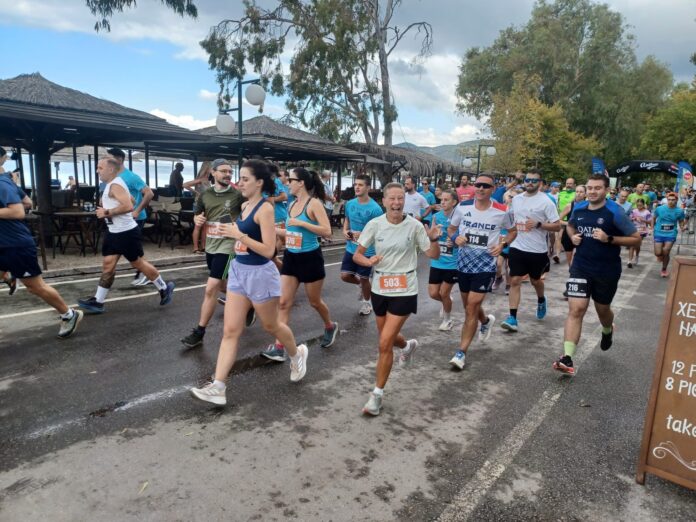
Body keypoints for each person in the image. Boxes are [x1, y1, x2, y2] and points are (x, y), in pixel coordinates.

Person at [190, 160, 309, 406]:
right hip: (238, 270)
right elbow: (239, 231)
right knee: (230, 331)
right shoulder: (244, 205)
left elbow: (268, 251)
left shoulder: (265, 209)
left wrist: (239, 235)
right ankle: (218, 387)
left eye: (245, 179)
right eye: (240, 178)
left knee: (271, 325)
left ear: (259, 183)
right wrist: (218, 228)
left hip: (260, 274)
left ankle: (297, 354)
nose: (239, 183)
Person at [354, 182, 442, 415]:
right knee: (388, 337)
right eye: (392, 198)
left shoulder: (414, 226)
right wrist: (368, 261)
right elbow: (357, 255)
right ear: (384, 201)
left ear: (405, 201)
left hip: (405, 288)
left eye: (400, 198)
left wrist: (434, 239)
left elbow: (433, 255)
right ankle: (407, 345)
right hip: (380, 287)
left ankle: (376, 396)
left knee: (384, 343)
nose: (396, 203)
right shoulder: (375, 224)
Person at [553, 174, 641, 376]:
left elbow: (636, 239)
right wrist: (573, 237)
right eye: (590, 188)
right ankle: (567, 358)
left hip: (606, 270)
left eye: (597, 188)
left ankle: (607, 329)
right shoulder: (579, 208)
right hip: (581, 267)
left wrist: (609, 238)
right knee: (576, 309)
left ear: (607, 190)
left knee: (603, 310)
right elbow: (571, 225)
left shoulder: (615, 212)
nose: (592, 192)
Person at [78, 158, 175, 313]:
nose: (97, 171)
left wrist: (106, 212)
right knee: (108, 265)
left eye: (100, 168)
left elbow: (129, 205)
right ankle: (98, 301)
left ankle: (164, 288)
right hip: (114, 232)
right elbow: (131, 199)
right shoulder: (114, 184)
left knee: (138, 264)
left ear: (110, 169)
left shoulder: (115, 185)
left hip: (126, 233)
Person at [260, 167, 337, 362]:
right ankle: (279, 348)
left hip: (310, 258)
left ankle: (330, 326)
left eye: (291, 180)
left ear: (301, 183)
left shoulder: (314, 204)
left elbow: (327, 231)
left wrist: (302, 223)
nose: (287, 183)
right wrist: (269, 229)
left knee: (315, 302)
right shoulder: (291, 204)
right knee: (284, 303)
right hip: (291, 257)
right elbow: (291, 232)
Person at [0, 166, 84, 337]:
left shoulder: (2, 183)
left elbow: (17, 211)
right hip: (4, 244)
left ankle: (69, 314)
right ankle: (9, 275)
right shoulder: (8, 182)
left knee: (35, 287)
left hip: (16, 246)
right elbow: (27, 202)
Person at [179, 159, 245, 348]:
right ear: (213, 173)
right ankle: (247, 303)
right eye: (223, 171)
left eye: (230, 171)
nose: (228, 174)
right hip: (211, 245)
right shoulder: (205, 194)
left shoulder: (237, 195)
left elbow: (250, 212)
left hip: (228, 246)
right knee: (223, 285)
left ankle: (199, 332)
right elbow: (198, 213)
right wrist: (197, 219)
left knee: (211, 288)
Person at [446, 173, 510, 370]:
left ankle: (461, 352)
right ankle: (485, 321)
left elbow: (513, 230)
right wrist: (456, 238)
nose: (481, 188)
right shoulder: (463, 207)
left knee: (471, 307)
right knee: (469, 306)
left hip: (486, 266)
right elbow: (451, 229)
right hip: (464, 264)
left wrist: (503, 245)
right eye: (478, 185)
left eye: (486, 186)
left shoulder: (502, 210)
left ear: (493, 189)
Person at [501, 170, 561, 332]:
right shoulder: (517, 199)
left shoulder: (546, 201)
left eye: (534, 181)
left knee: (535, 281)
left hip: (537, 250)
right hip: (517, 246)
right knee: (515, 280)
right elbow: (511, 219)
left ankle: (541, 299)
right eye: (527, 180)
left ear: (540, 183)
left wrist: (539, 224)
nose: (530, 183)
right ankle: (512, 318)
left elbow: (557, 226)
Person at [106, 148, 155, 286]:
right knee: (127, 251)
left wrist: (137, 211)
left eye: (109, 158)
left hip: (135, 218)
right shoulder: (112, 177)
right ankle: (148, 275)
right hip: (119, 219)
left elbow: (149, 193)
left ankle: (148, 275)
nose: (106, 161)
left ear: (119, 160)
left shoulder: (130, 176)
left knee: (133, 251)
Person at [341, 174, 384, 316]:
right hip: (351, 247)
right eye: (355, 184)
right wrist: (345, 230)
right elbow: (347, 219)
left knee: (365, 278)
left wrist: (364, 235)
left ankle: (366, 303)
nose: (357, 187)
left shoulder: (375, 209)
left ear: (368, 188)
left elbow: (379, 232)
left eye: (360, 185)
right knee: (345, 276)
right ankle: (361, 285)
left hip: (367, 250)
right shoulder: (350, 204)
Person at [429, 188, 459, 331]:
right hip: (437, 261)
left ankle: (447, 320)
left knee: (444, 293)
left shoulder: (459, 218)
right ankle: (447, 301)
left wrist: (455, 242)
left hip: (452, 262)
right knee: (433, 293)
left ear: (454, 202)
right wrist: (433, 235)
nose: (443, 202)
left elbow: (464, 238)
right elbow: (430, 235)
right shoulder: (436, 217)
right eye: (441, 199)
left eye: (446, 200)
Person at [652, 192, 686, 277]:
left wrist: (682, 227)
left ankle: (664, 269)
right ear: (667, 200)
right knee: (658, 253)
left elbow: (681, 221)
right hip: (659, 232)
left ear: (676, 200)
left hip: (671, 233)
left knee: (666, 251)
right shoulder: (660, 208)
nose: (671, 201)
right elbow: (654, 218)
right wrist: (652, 228)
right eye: (669, 200)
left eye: (673, 200)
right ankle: (660, 255)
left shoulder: (680, 211)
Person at [183, 161, 212, 254]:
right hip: (199, 205)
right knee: (198, 226)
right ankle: (195, 248)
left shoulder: (207, 180)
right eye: (212, 168)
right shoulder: (201, 179)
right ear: (207, 169)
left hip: (206, 205)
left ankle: (203, 246)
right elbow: (185, 184)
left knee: (204, 227)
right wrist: (196, 193)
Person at [559, 185, 587, 268]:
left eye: (581, 192)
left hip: (582, 234)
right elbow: (558, 220)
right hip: (568, 234)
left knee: (577, 258)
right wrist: (569, 224)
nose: (578, 194)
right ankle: (571, 271)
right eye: (577, 191)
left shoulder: (589, 205)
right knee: (570, 260)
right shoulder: (569, 205)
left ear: (585, 194)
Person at [628, 198, 651, 268]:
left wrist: (643, 220)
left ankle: (637, 256)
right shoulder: (633, 211)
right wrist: (634, 218)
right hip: (634, 229)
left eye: (640, 205)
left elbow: (650, 221)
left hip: (642, 230)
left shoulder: (647, 212)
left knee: (637, 245)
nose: (639, 206)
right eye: (637, 205)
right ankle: (629, 261)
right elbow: (629, 219)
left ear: (643, 205)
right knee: (632, 245)